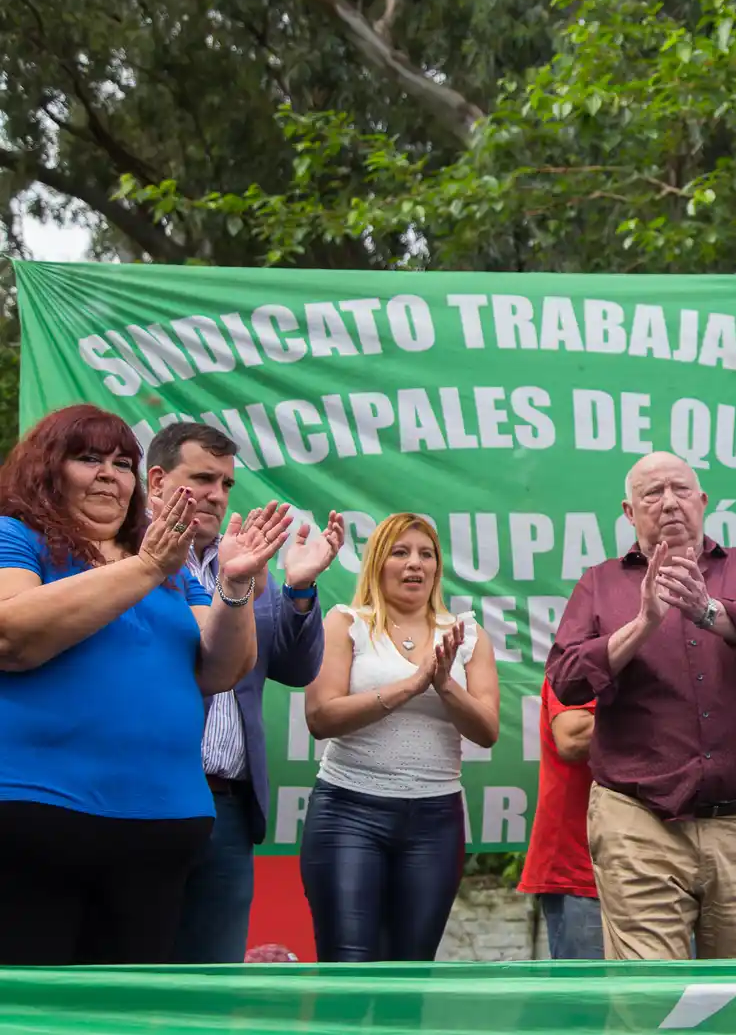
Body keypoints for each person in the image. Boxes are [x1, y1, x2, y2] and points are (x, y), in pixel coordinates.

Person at [0, 404, 288, 965]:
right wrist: (147, 567)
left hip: (161, 828)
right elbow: (12, 636)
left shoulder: (169, 565)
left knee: (127, 1014)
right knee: (37, 1011)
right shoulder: (17, 536)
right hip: (40, 821)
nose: (110, 474)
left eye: (122, 463)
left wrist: (234, 586)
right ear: (46, 469)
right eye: (89, 459)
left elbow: (219, 668)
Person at [546, 452, 736, 960]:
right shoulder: (599, 583)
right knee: (650, 1002)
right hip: (639, 824)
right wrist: (642, 624)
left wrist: (708, 611)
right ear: (628, 511)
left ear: (703, 501)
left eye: (680, 490)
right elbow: (567, 679)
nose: (669, 502)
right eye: (652, 493)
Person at [143, 422, 345, 964]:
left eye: (227, 483)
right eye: (202, 478)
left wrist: (298, 589)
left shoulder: (245, 562)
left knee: (211, 981)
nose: (217, 493)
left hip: (229, 806)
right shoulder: (126, 554)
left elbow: (297, 667)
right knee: (135, 972)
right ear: (156, 480)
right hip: (142, 796)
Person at [301, 513, 500, 962]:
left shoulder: (466, 635)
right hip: (349, 811)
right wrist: (412, 685)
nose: (415, 564)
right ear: (377, 563)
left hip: (434, 820)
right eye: (401, 552)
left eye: (426, 555)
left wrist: (444, 684)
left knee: (410, 971)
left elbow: (486, 730)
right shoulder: (346, 623)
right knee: (349, 968)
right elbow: (320, 715)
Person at [518, 679, 603, 959]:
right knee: (587, 1000)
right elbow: (572, 737)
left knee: (675, 997)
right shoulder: (577, 655)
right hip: (581, 869)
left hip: (672, 865)